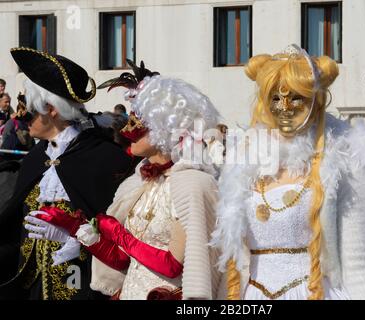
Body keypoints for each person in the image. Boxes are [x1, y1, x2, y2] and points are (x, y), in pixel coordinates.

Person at [211, 45, 365, 300]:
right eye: (275, 98)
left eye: (296, 97)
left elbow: (357, 258)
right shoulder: (243, 157)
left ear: (315, 100)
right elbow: (229, 252)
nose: (285, 107)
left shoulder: (344, 156)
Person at [32, 60, 223, 300]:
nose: (126, 131)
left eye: (137, 120)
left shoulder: (191, 185)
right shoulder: (140, 183)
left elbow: (173, 265)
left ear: (164, 127)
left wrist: (121, 235)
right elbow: (123, 260)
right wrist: (76, 229)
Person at [0, 47, 132, 300]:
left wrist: (76, 238)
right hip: (33, 287)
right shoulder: (36, 158)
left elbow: (123, 233)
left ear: (51, 110)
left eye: (27, 107)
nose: (22, 116)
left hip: (82, 285)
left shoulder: (104, 158)